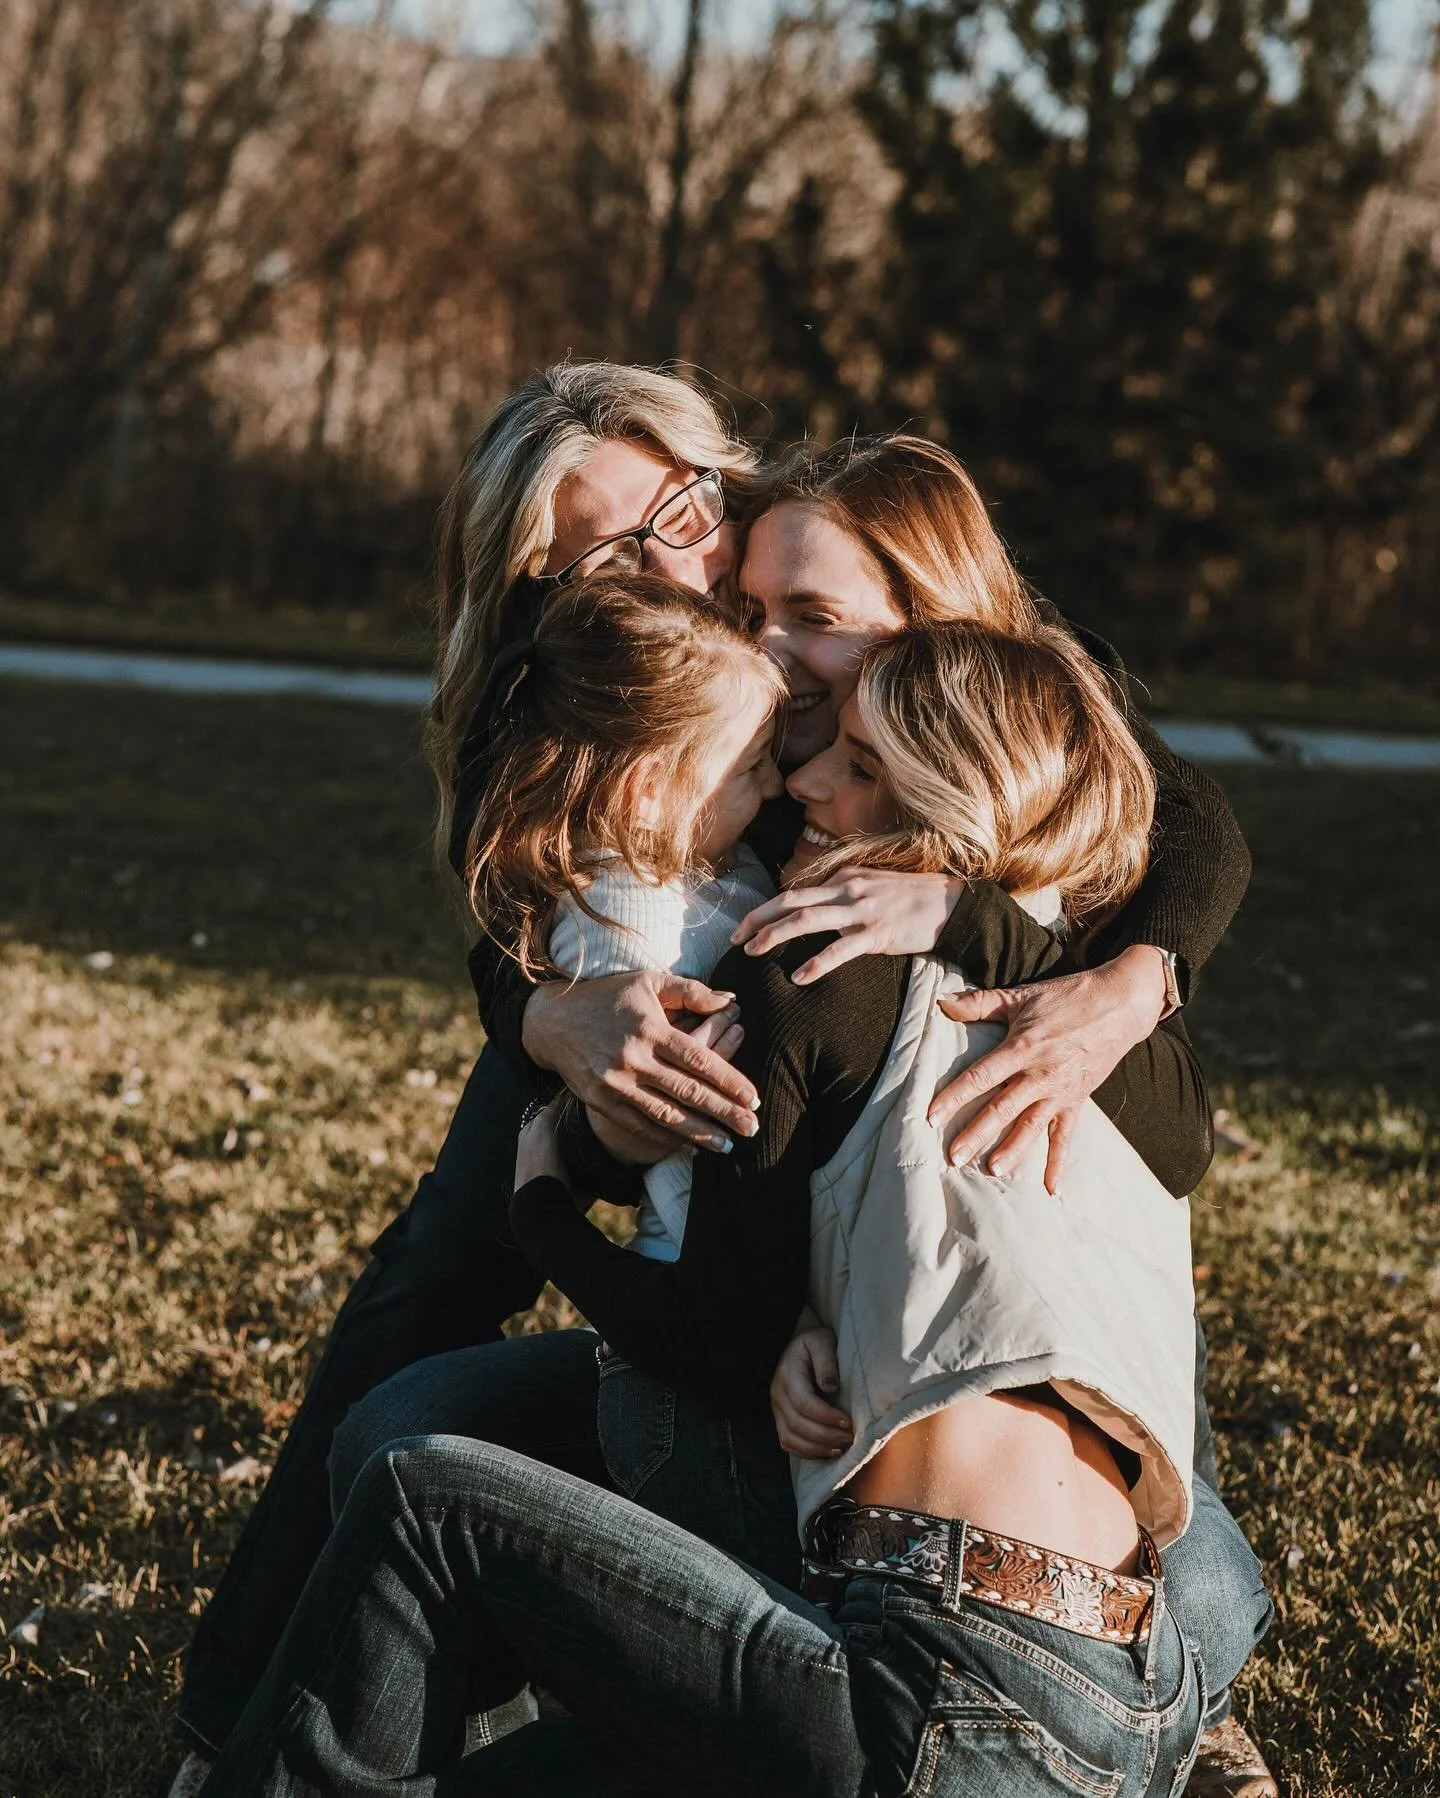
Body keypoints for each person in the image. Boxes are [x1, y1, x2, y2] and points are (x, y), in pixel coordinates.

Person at [170, 371, 1256, 1792]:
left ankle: (1172, 1690)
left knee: (1064, 1277)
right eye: (599, 557)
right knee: (434, 1285)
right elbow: (520, 893)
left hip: (962, 1547)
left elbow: (1188, 818)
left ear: (723, 487)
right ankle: (241, 1704)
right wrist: (551, 1020)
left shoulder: (972, 717)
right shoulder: (605, 675)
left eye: (679, 513)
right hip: (658, 1018)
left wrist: (1125, 977)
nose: (670, 572)